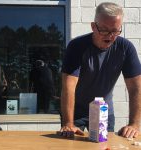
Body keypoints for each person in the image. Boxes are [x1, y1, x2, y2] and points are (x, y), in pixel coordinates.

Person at [60, 2, 141, 138]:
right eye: (104, 30)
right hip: (75, 110)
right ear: (93, 26)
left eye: (115, 31)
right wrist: (68, 122)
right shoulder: (76, 46)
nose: (109, 36)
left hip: (104, 110)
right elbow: (69, 86)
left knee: (103, 145)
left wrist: (134, 124)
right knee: (70, 144)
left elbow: (136, 88)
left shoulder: (126, 48)